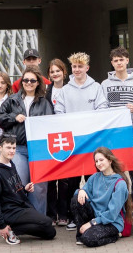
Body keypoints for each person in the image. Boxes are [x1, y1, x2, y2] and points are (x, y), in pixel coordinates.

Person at [55, 52, 109, 228]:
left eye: (80, 66)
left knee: (93, 179)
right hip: (73, 142)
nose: (77, 69)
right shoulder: (65, 90)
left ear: (87, 68)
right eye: (74, 66)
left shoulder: (97, 87)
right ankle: (72, 216)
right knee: (71, 180)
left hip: (92, 141)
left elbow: (102, 108)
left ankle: (91, 214)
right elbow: (59, 112)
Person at [0, 65, 54, 214]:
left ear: (38, 82)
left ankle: (38, 220)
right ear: (21, 82)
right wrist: (14, 118)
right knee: (18, 183)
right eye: (25, 80)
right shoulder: (12, 100)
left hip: (38, 149)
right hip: (19, 148)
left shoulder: (44, 102)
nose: (29, 83)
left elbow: (50, 124)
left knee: (39, 186)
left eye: (32, 80)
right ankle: (20, 218)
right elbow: (0, 118)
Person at [0, 134, 57, 244]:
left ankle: (14, 228)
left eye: (14, 148)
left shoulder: (11, 164)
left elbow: (12, 188)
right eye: (8, 148)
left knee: (50, 232)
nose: (12, 151)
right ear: (0, 148)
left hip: (21, 207)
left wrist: (24, 189)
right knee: (47, 221)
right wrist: (1, 225)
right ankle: (7, 229)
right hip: (10, 211)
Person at [70, 147, 133, 247]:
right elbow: (80, 194)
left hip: (111, 222)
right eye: (96, 161)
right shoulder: (94, 177)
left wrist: (91, 223)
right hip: (95, 217)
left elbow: (112, 214)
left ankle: (115, 235)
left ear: (110, 160)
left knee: (89, 239)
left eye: (101, 160)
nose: (98, 163)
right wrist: (81, 190)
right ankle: (80, 234)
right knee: (76, 199)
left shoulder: (120, 183)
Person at [102, 47, 133, 138]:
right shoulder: (105, 84)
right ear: (112, 63)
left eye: (121, 59)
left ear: (127, 60)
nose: (119, 63)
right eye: (116, 61)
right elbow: (102, 108)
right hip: (112, 130)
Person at [45, 58, 70, 225]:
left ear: (64, 72)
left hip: (67, 136)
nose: (55, 74)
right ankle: (51, 213)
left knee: (65, 179)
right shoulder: (45, 91)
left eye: (58, 71)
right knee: (50, 177)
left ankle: (64, 213)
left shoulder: (70, 89)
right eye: (52, 71)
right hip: (50, 136)